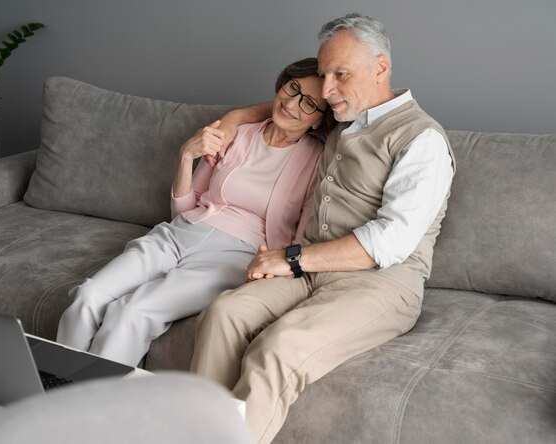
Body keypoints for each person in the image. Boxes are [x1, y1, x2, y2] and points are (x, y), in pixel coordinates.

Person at [190, 13, 456, 444]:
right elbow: (285, 111)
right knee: (223, 313)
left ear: (381, 68)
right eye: (323, 74)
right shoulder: (345, 115)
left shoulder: (421, 140)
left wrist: (289, 259)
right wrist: (238, 116)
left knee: (276, 349)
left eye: (339, 74)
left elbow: (389, 242)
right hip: (311, 271)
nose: (326, 90)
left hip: (381, 283)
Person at [55, 58, 336, 367]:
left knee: (132, 313)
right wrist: (187, 155)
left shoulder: (317, 162)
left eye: (309, 103)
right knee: (88, 297)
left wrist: (276, 269)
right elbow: (184, 209)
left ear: (318, 121)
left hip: (233, 257)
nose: (293, 103)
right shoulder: (236, 133)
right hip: (178, 234)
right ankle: (54, 393)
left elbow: (301, 236)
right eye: (293, 88)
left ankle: (91, 411)